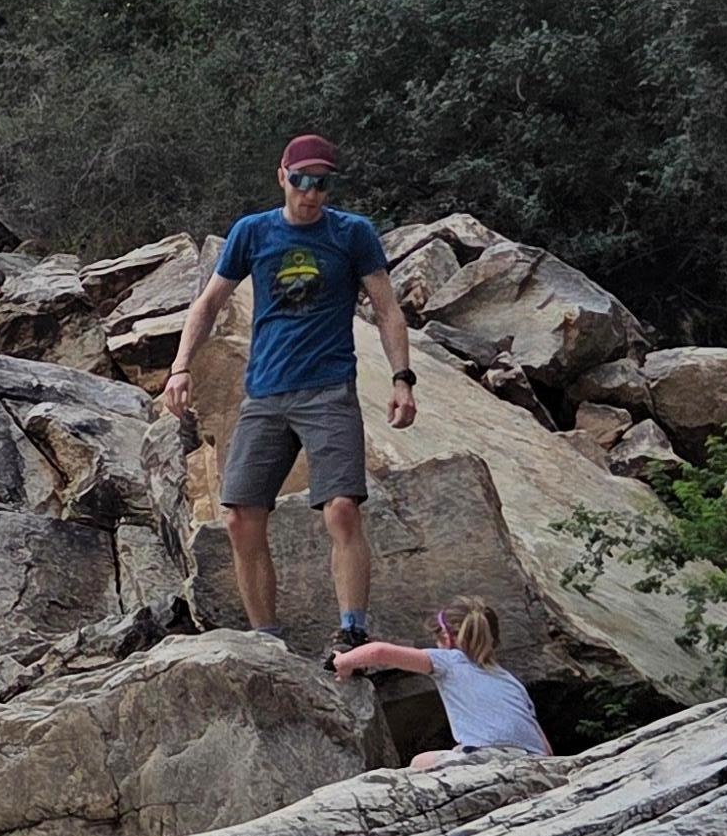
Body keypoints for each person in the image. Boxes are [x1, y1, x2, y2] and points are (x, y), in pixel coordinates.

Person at [161, 133, 419, 658]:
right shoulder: (252, 232)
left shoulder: (353, 234)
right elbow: (209, 303)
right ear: (282, 176)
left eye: (321, 183)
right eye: (301, 180)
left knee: (342, 508)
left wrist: (403, 377)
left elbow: (388, 309)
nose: (311, 192)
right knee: (239, 516)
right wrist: (180, 365)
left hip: (328, 388)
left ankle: (352, 632)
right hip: (266, 391)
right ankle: (267, 640)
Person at [333, 595, 552, 761]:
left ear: (446, 638)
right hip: (532, 758)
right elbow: (543, 744)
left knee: (421, 762)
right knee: (456, 751)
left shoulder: (449, 661)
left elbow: (380, 652)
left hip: (488, 757)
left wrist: (343, 662)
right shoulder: (510, 681)